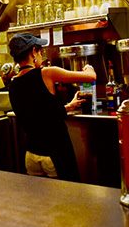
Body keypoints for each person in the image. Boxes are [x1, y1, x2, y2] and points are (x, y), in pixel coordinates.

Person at [8, 33, 96, 182]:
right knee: (65, 200)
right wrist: (89, 68)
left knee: (41, 203)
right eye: (41, 51)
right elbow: (91, 77)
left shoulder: (13, 84)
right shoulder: (47, 73)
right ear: (33, 52)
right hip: (54, 154)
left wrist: (68, 107)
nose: (42, 55)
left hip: (31, 156)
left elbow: (39, 115)